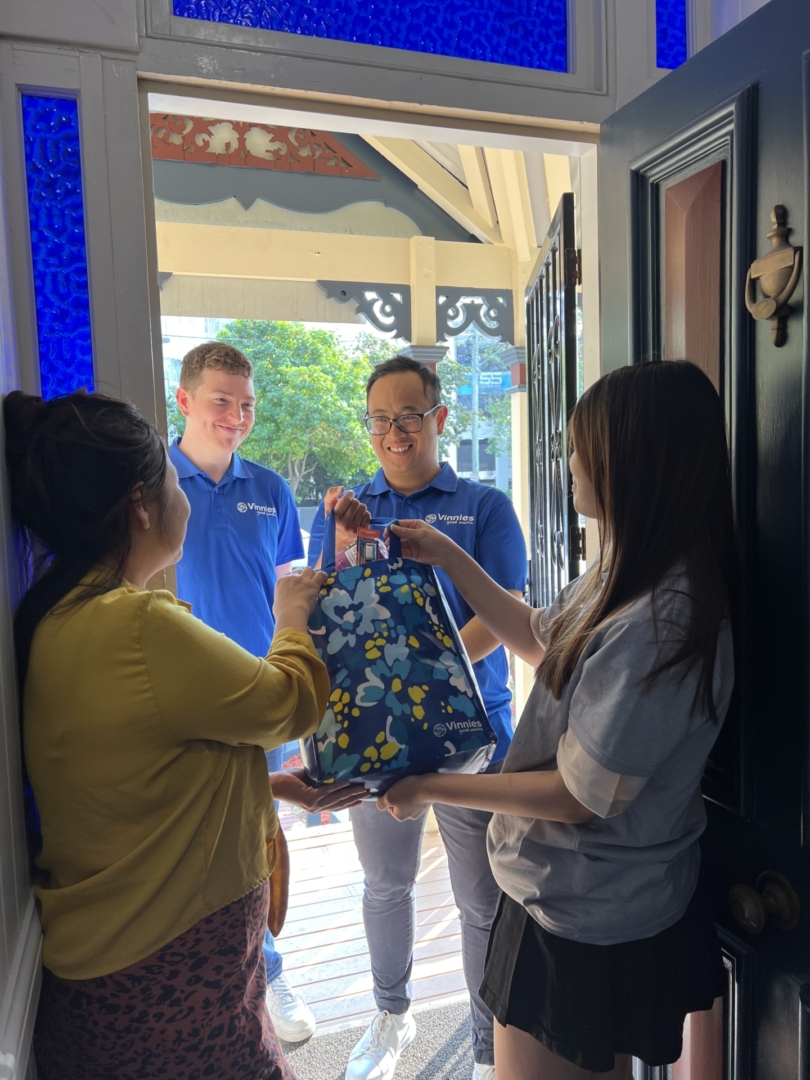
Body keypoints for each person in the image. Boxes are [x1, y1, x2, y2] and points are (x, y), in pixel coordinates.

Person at [379, 360, 736, 1079]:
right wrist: (449, 557)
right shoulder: (625, 568)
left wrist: (429, 787)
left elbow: (578, 796)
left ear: (633, 461)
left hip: (587, 913)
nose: (568, 461)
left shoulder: (661, 618)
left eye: (584, 445)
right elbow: (541, 635)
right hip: (566, 894)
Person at [5, 389, 330, 1080]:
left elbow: (125, 774)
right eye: (173, 482)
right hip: (173, 980)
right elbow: (291, 702)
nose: (185, 497)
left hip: (113, 973)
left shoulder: (56, 615)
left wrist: (268, 784)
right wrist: (292, 615)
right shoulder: (139, 627)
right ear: (141, 506)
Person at [308, 355, 527, 1080]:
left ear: (438, 417)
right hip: (373, 742)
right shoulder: (343, 510)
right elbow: (329, 617)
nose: (393, 432)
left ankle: (486, 1039)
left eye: (408, 416)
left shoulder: (484, 506)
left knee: (479, 899)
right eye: (379, 418)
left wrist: (426, 681)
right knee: (385, 884)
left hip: (471, 736)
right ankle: (390, 1015)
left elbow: (501, 618)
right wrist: (346, 548)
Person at [171, 340, 366, 1041]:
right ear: (184, 400)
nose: (237, 416)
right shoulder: (154, 484)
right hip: (184, 693)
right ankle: (260, 975)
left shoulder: (271, 491)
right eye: (222, 401)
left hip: (265, 685)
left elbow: (293, 584)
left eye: (246, 404)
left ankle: (261, 967)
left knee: (262, 835)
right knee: (211, 840)